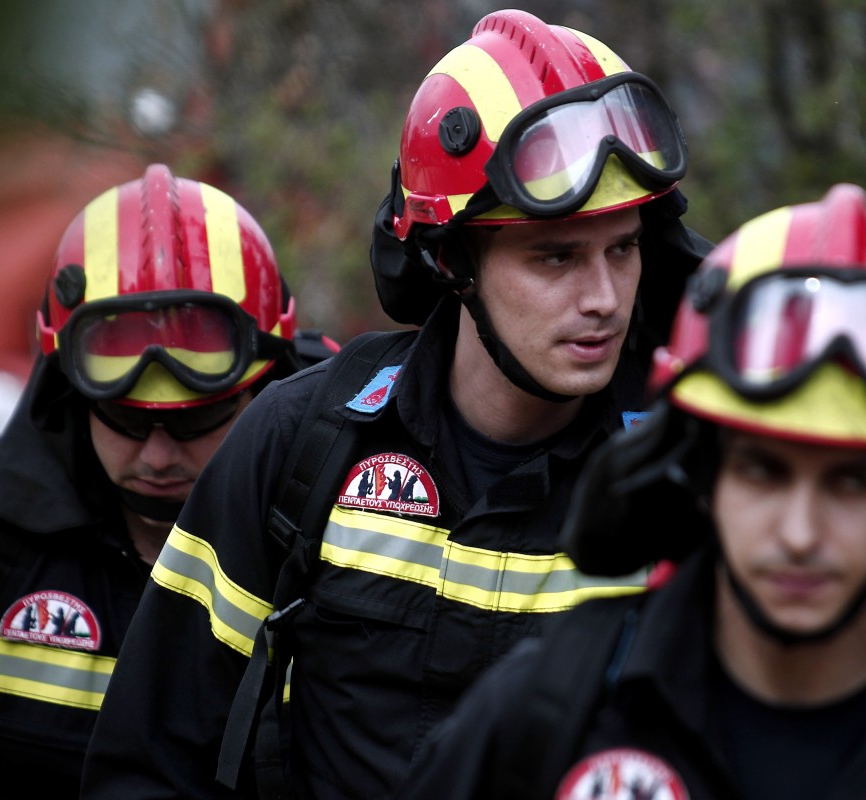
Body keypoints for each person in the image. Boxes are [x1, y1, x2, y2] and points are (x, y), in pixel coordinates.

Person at [81, 8, 711, 800]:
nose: (605, 299)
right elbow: (148, 761)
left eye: (624, 249)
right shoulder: (302, 442)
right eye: (556, 257)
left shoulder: (685, 475)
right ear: (453, 259)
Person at [395, 183, 866, 799]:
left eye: (853, 481)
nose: (800, 533)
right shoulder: (553, 709)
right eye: (763, 471)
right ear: (701, 473)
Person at [0, 163, 326, 800]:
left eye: (198, 417)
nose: (159, 456)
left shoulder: (349, 532)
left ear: (265, 390)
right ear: (70, 386)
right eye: (124, 417)